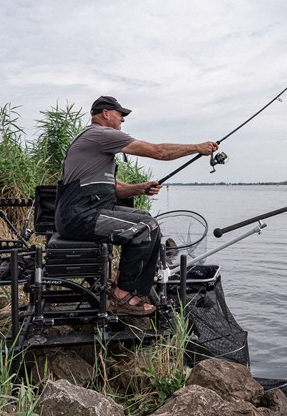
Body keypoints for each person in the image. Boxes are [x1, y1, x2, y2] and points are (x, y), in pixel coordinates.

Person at [55, 95, 218, 316]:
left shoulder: (94, 141)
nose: (123, 120)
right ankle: (123, 295)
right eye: (120, 114)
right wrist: (197, 147)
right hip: (80, 216)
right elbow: (158, 151)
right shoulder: (100, 134)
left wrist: (140, 188)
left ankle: (133, 288)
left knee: (147, 219)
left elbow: (113, 188)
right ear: (106, 114)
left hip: (83, 213)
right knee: (146, 227)